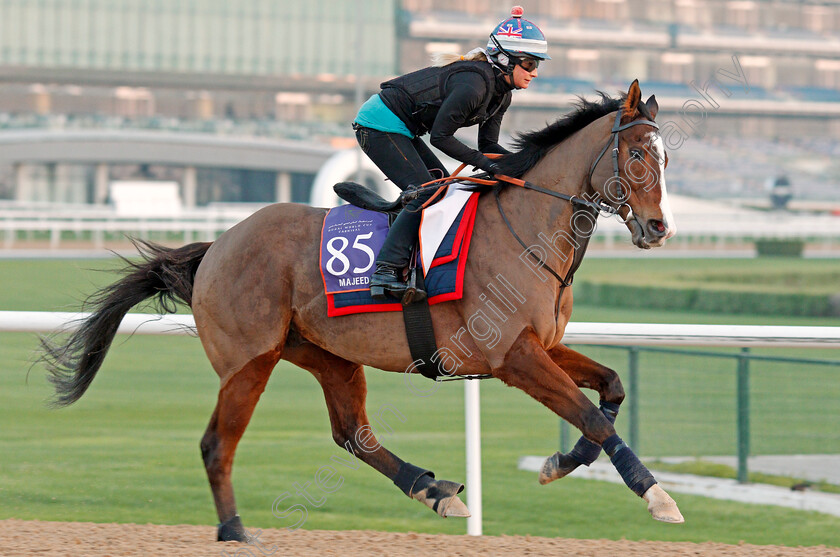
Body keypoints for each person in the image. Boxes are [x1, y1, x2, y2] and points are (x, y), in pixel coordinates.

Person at [353, 6, 550, 301]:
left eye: (537, 65)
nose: (534, 73)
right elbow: (441, 138)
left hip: (403, 129)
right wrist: (486, 165)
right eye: (528, 64)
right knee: (427, 192)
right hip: (378, 124)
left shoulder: (502, 95)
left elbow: (488, 147)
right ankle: (385, 271)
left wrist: (522, 165)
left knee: (442, 192)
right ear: (504, 60)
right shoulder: (473, 85)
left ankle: (410, 251)